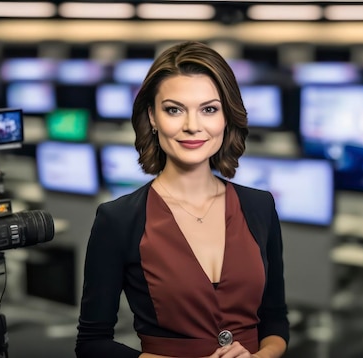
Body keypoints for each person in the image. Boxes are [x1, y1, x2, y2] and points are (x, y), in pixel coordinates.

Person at [75, 41, 289, 358]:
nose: (192, 126)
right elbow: (92, 343)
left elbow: (275, 321)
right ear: (151, 117)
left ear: (226, 117)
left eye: (209, 109)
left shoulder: (260, 205)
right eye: (174, 110)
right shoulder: (118, 218)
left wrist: (261, 356)